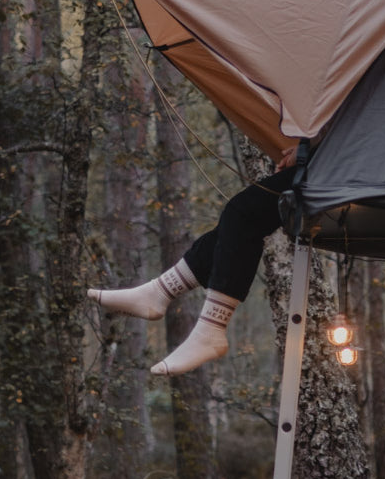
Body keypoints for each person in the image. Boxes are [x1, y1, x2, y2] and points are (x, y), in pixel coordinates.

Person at [89, 147, 299, 376]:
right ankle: (160, 292)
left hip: (337, 170)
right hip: (329, 163)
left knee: (243, 214)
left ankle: (210, 327)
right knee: (240, 218)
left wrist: (310, 147)